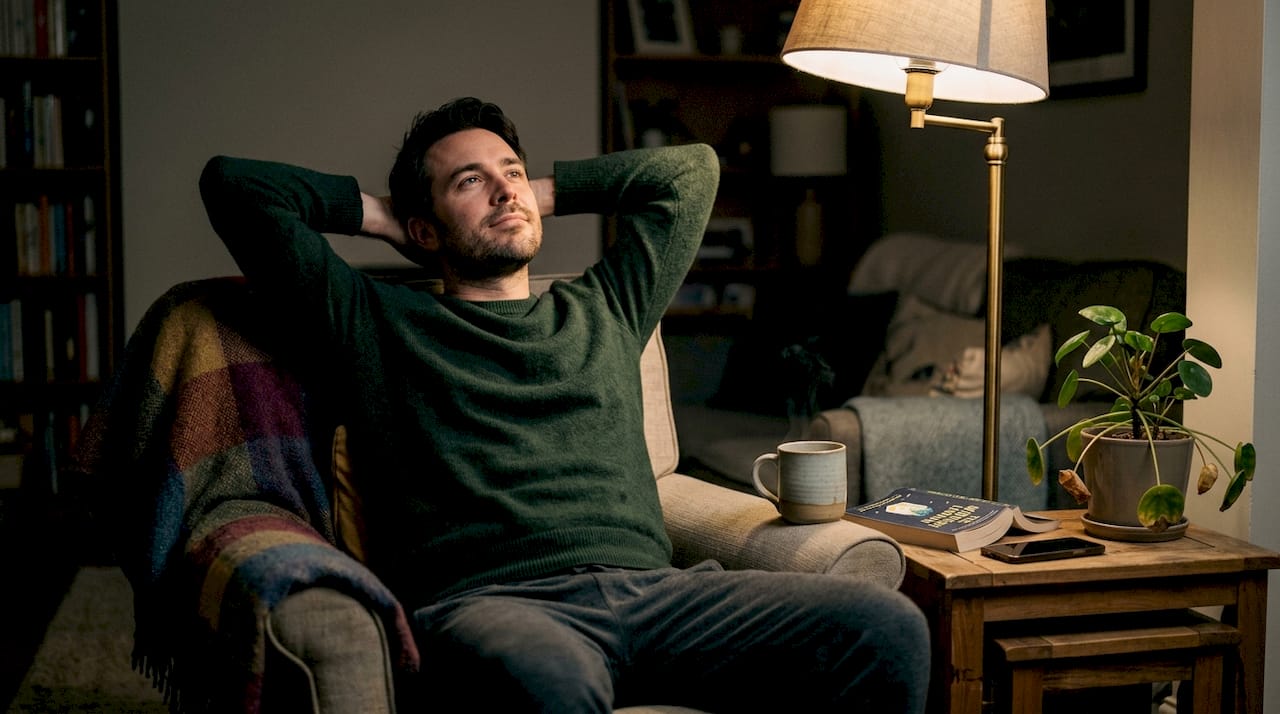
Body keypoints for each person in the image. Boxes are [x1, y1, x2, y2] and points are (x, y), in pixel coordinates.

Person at [199, 97, 928, 713]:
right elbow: (236, 186)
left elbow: (690, 170)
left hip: (659, 595)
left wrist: (530, 191)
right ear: (422, 229)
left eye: (511, 173)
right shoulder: (374, 320)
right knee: (552, 682)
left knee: (887, 627)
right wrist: (381, 214)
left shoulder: (608, 304)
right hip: (495, 604)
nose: (505, 191)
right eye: (469, 183)